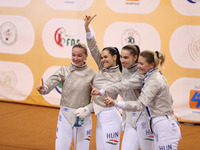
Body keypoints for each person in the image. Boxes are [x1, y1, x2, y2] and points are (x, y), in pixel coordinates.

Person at [105, 50, 181, 150]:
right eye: (138, 63)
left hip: (164, 126)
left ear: (151, 64)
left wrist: (116, 103)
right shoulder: (151, 77)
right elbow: (170, 100)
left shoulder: (154, 80)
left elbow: (140, 104)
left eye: (141, 63)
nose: (138, 66)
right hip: (161, 124)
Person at [91, 45, 154, 150]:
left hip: (144, 119)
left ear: (135, 58)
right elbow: (126, 97)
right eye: (122, 57)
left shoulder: (141, 73)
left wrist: (102, 91)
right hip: (130, 118)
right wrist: (124, 119)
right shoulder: (125, 70)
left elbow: (124, 85)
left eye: (126, 57)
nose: (122, 60)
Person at [74, 15, 122, 150]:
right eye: (101, 58)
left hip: (111, 119)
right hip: (100, 118)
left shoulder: (121, 76)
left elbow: (129, 98)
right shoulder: (102, 68)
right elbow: (93, 47)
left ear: (114, 57)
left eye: (106, 57)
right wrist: (87, 27)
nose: (103, 60)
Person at [36, 43, 96, 150]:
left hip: (83, 117)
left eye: (79, 55)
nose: (75, 58)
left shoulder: (93, 74)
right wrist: (43, 89)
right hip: (65, 115)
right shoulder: (64, 70)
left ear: (86, 56)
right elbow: (49, 84)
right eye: (73, 55)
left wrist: (87, 110)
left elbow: (98, 100)